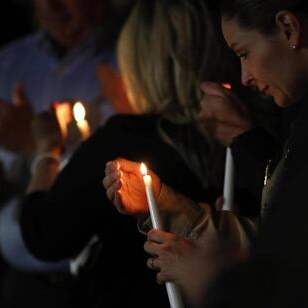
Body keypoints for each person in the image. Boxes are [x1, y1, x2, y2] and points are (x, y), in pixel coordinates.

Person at [108, 0, 308, 307]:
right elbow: (282, 239)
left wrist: (212, 280)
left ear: (289, 28)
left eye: (244, 54)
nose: (244, 76)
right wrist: (171, 207)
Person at [18, 0, 245, 306]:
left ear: (141, 63)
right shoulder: (245, 132)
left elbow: (44, 235)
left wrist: (46, 151)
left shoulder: (125, 140)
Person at [0, 0, 128, 306]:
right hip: (23, 288)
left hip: (106, 281)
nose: (52, 6)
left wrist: (35, 144)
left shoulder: (128, 57)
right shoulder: (3, 66)